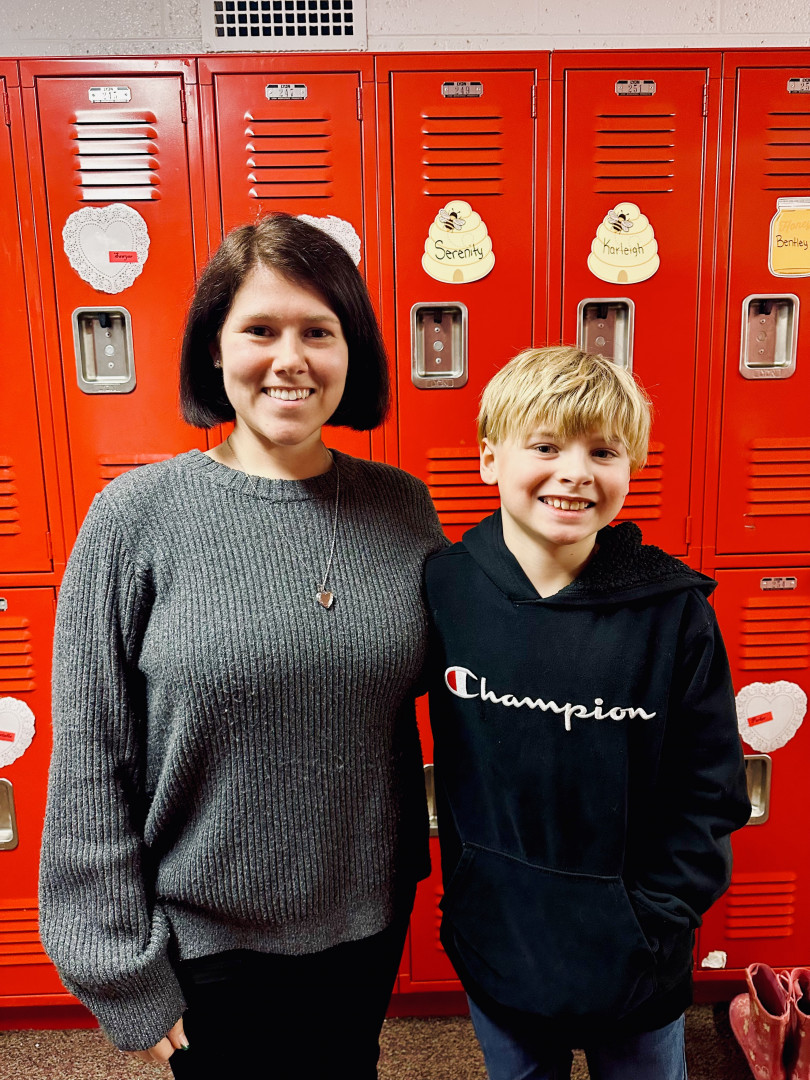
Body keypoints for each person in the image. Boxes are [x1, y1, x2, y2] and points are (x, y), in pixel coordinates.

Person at [39, 214, 446, 1078]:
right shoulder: (134, 518)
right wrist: (115, 963)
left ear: (352, 351)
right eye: (260, 330)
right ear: (214, 351)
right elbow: (92, 757)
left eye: (318, 332)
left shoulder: (403, 507)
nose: (289, 358)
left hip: (368, 919)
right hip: (207, 940)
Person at [424, 346, 751, 1080]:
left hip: (636, 961)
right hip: (499, 942)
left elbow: (711, 790)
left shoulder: (674, 613)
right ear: (489, 459)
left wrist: (654, 922)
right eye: (545, 447)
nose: (575, 471)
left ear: (631, 467)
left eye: (603, 451)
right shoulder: (447, 588)